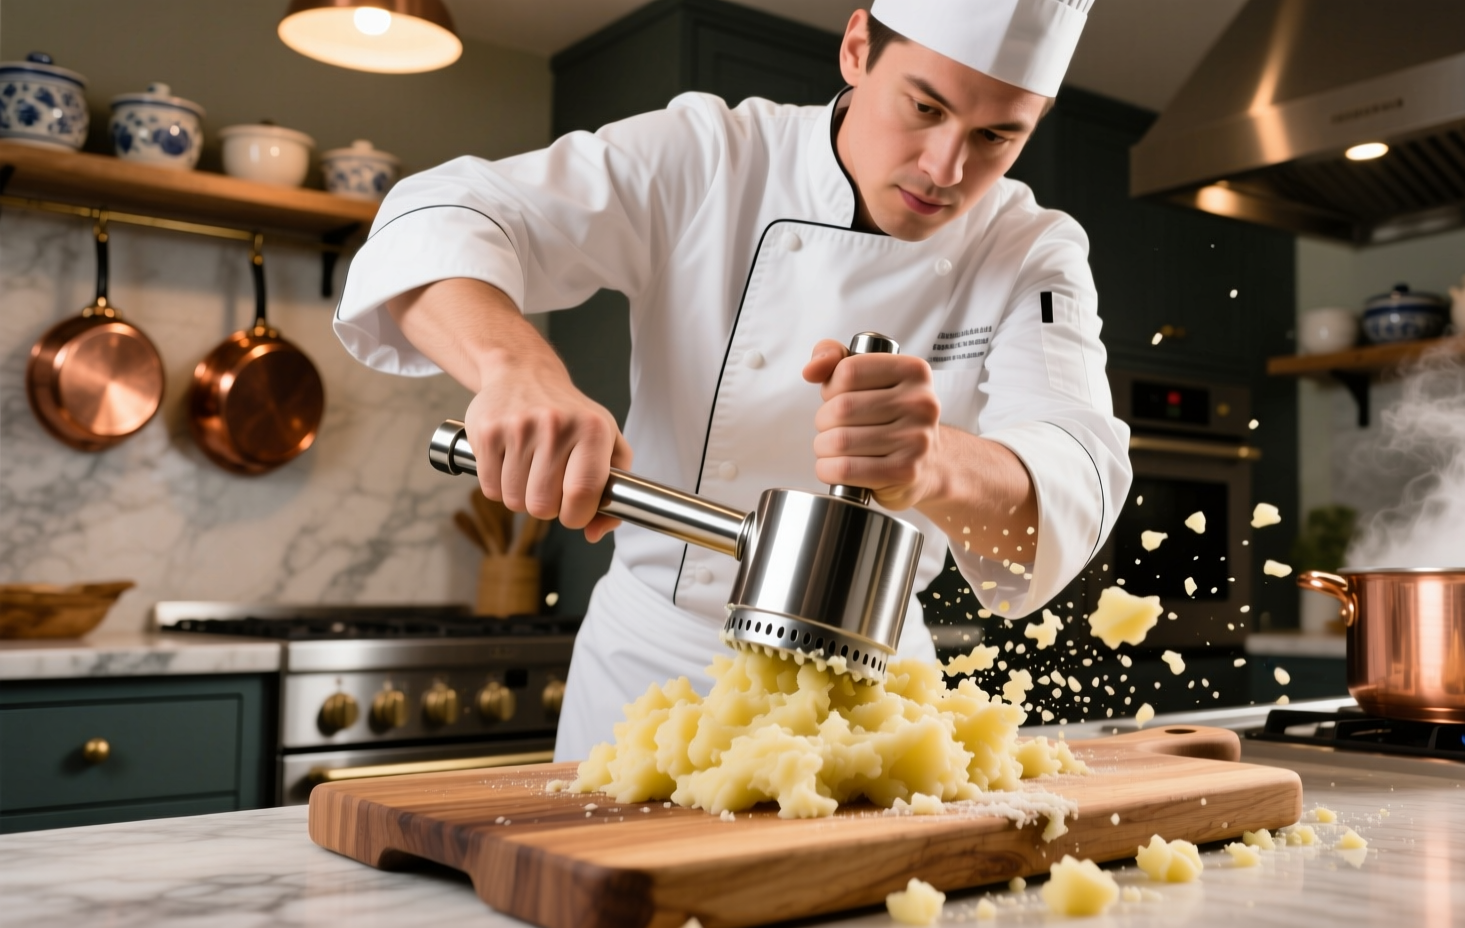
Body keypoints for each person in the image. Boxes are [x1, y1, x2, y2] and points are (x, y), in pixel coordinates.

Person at [334, 0, 1130, 760]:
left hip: (880, 696)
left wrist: (934, 463)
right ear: (858, 49)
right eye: (924, 108)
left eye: (996, 135)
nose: (946, 168)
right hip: (650, 678)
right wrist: (517, 370)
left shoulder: (1030, 250)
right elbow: (438, 215)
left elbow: (1073, 475)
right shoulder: (712, 155)